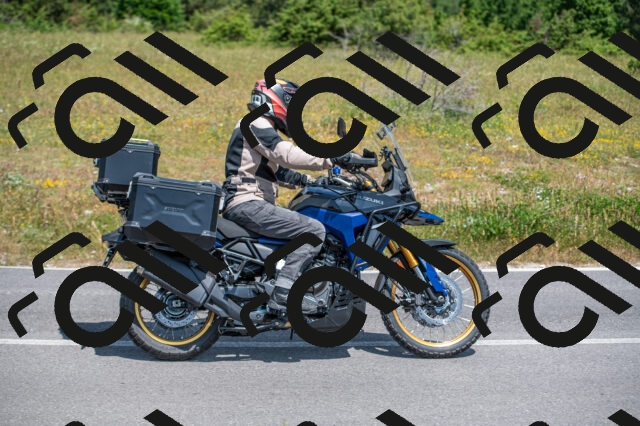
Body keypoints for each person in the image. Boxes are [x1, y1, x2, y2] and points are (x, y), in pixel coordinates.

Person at [221, 78, 352, 313]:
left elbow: (275, 170)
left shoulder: (257, 126)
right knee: (314, 230)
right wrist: (330, 157)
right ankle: (284, 292)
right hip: (247, 202)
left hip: (249, 201)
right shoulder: (255, 122)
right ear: (276, 99)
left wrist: (309, 181)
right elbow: (284, 154)